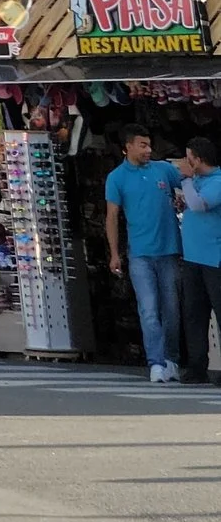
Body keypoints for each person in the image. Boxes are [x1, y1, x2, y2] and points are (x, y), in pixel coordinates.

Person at [107, 124, 187, 382]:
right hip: (140, 253)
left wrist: (182, 199)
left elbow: (187, 182)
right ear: (128, 146)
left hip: (170, 250)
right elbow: (112, 216)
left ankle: (171, 359)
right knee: (149, 310)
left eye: (149, 145)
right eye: (142, 145)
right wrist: (114, 253)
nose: (148, 150)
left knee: (172, 310)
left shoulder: (163, 169)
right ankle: (155, 362)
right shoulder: (116, 177)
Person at [178, 138, 221, 384]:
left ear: (199, 158)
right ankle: (196, 366)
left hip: (214, 258)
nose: (186, 162)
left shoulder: (217, 182)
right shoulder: (196, 182)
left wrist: (185, 180)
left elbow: (198, 204)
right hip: (193, 256)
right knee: (194, 313)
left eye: (188, 157)